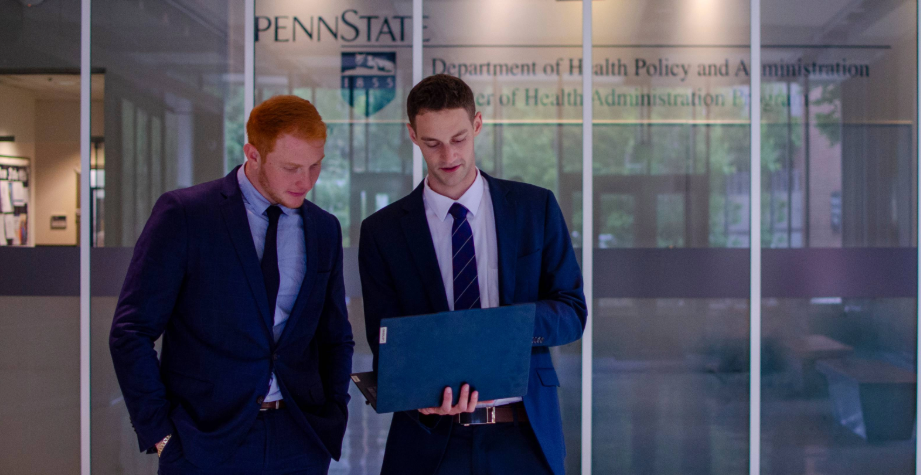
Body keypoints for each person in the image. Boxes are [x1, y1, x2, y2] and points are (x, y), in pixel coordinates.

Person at [109, 95, 354, 474]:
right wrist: (161, 436)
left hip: (300, 440)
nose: (305, 181)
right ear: (252, 155)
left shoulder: (323, 228)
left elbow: (334, 335)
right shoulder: (186, 215)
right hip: (204, 443)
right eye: (290, 167)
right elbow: (131, 331)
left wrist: (335, 409)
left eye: (315, 166)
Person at [358, 74, 587, 475]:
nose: (448, 154)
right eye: (432, 142)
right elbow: (385, 339)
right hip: (429, 443)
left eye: (459, 138)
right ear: (412, 135)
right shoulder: (383, 231)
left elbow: (572, 311)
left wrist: (504, 328)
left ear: (477, 124)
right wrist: (417, 390)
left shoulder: (536, 208)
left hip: (524, 438)